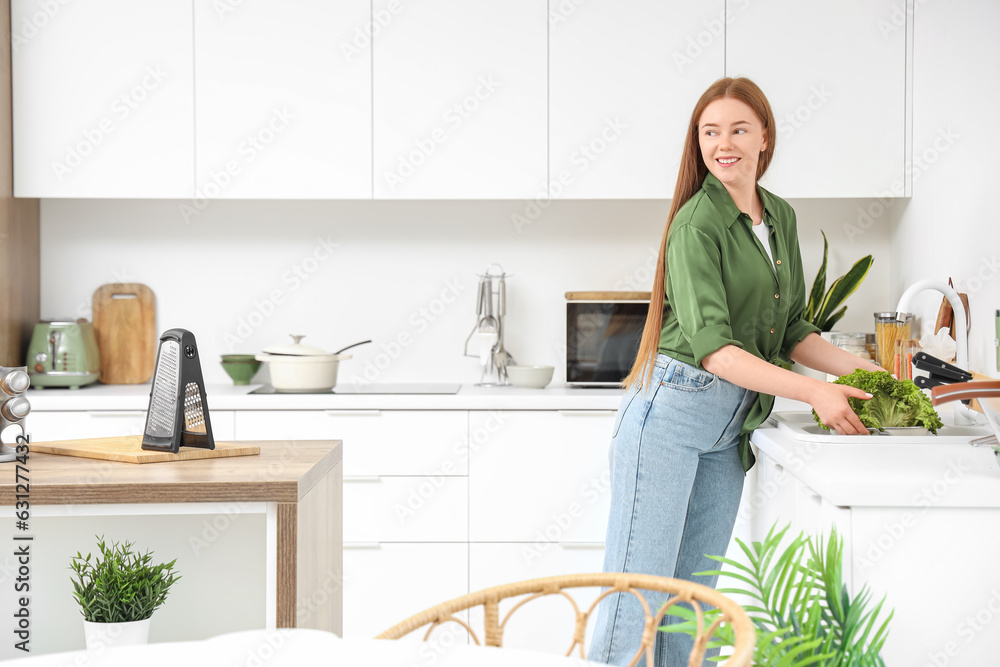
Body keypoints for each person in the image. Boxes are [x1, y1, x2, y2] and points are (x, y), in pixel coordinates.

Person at [586, 77, 884, 666]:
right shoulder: (696, 224)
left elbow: (793, 329)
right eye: (710, 131)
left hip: (728, 431)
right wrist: (814, 394)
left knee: (694, 604)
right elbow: (717, 351)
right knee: (637, 603)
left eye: (739, 129)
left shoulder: (781, 218)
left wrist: (874, 376)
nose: (724, 143)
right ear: (698, 143)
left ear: (764, 137)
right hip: (668, 418)